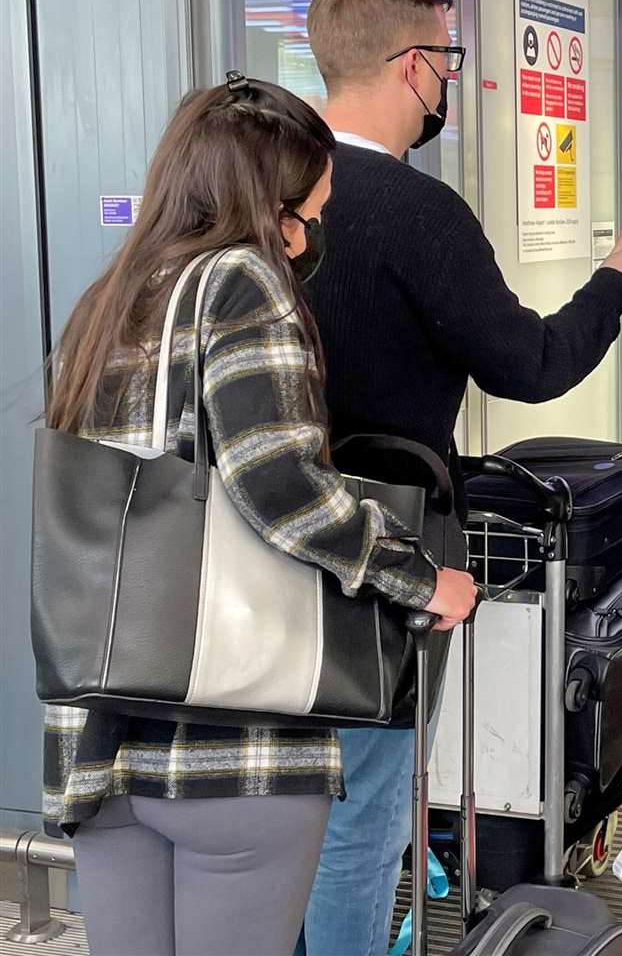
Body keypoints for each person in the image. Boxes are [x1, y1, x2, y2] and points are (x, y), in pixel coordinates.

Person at [41, 77, 477, 956]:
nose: (308, 236)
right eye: (306, 212)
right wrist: (420, 576)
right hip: (235, 752)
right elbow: (277, 486)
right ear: (266, 205)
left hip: (104, 734)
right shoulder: (241, 282)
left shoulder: (114, 295)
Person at [296, 0, 622, 955]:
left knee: (283, 800)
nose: (449, 82)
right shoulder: (414, 211)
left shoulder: (264, 191)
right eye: (449, 60)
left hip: (266, 530)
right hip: (381, 546)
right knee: (365, 801)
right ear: (414, 66)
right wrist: (614, 285)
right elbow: (530, 363)